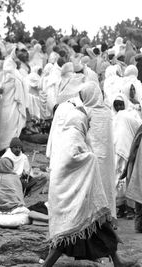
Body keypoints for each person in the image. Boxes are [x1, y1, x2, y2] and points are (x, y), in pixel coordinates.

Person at [43, 104, 133, 267]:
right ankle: (46, 265)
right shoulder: (73, 136)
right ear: (80, 122)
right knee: (68, 235)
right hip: (72, 196)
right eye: (87, 122)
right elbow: (71, 160)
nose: (88, 126)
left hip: (80, 195)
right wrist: (91, 158)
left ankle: (118, 261)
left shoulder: (71, 135)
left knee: (101, 227)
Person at [79, 81, 117, 219]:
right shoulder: (107, 110)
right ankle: (108, 216)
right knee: (106, 185)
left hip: (92, 155)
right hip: (107, 157)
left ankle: (95, 218)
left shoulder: (85, 111)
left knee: (93, 186)